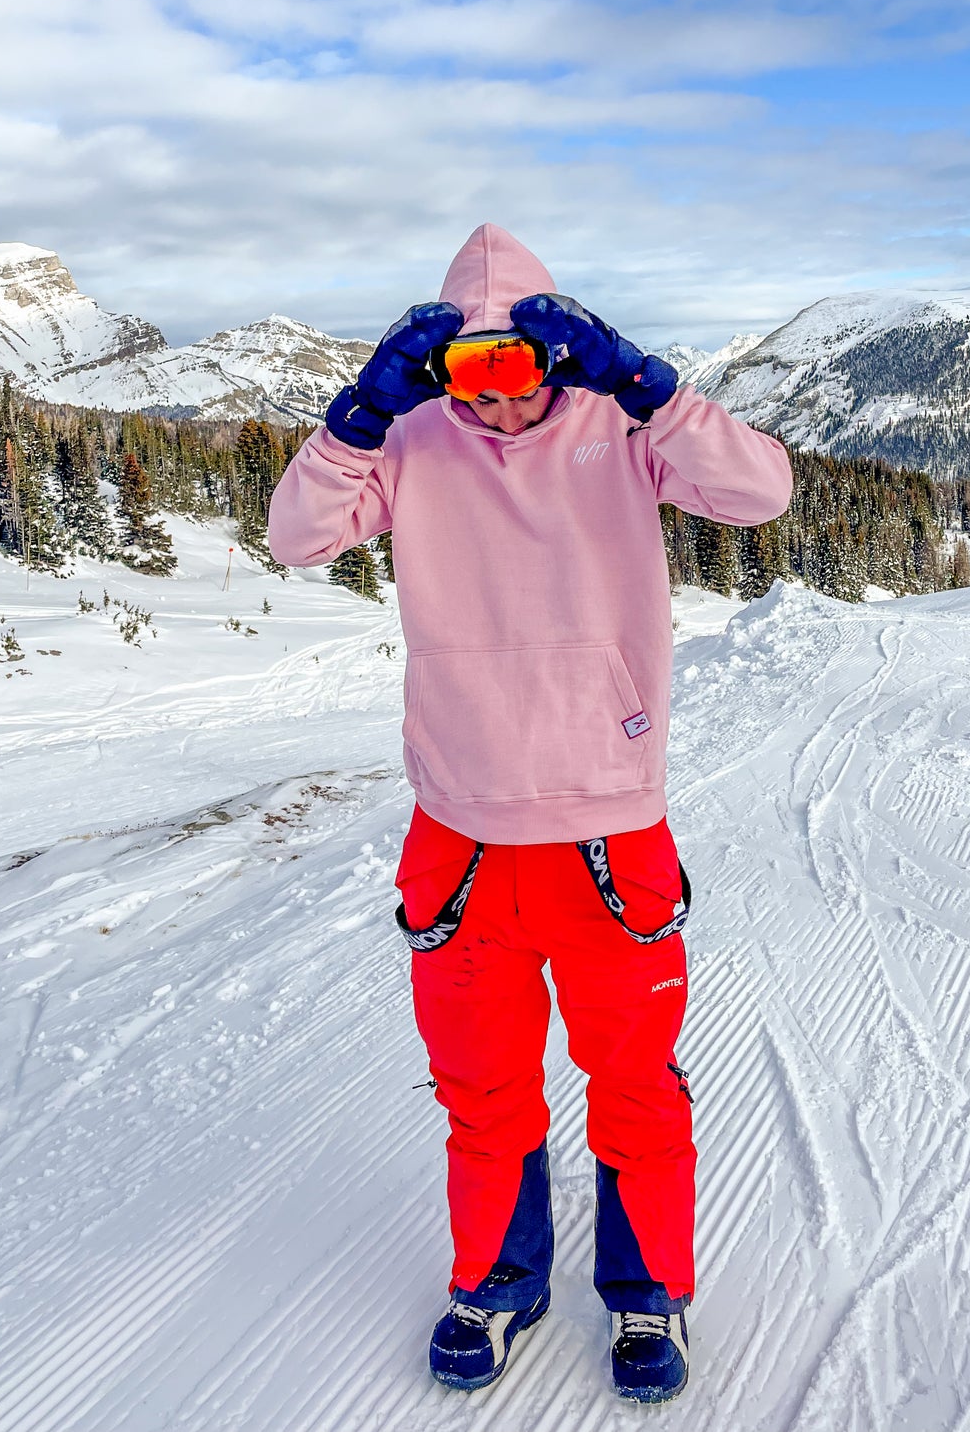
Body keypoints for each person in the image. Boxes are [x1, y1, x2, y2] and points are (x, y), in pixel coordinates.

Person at [267, 224, 792, 1405]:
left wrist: (647, 383)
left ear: (558, 354)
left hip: (609, 837)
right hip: (457, 839)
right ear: (440, 366)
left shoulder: (620, 428)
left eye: (520, 368)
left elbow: (760, 491)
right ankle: (498, 1283)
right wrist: (360, 410)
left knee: (634, 1082)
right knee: (483, 1089)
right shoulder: (406, 441)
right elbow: (294, 537)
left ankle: (646, 1293)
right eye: (473, 373)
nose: (499, 401)